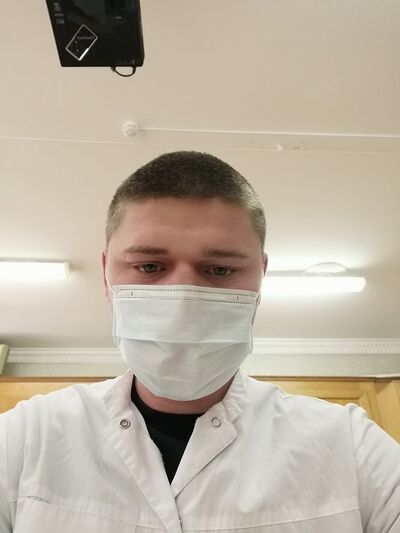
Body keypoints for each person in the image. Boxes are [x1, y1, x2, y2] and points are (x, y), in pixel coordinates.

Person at [0, 151, 399, 533]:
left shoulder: (351, 447)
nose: (182, 304)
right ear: (107, 274)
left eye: (220, 269)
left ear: (260, 278)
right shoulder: (24, 438)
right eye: (149, 266)